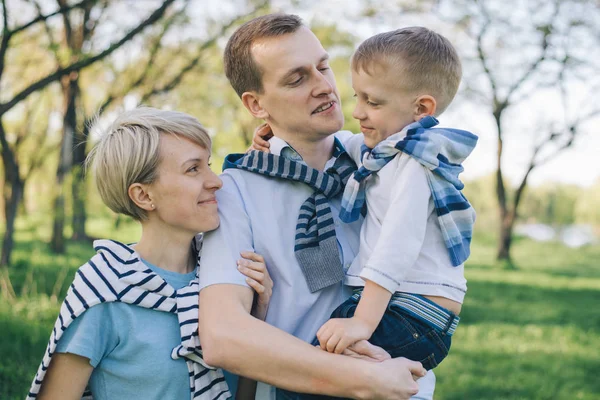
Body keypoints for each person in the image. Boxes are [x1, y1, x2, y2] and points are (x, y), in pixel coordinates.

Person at [197, 13, 431, 400]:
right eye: (297, 79)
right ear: (256, 104)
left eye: (323, 66)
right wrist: (361, 379)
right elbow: (223, 337)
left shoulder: (387, 163)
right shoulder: (233, 192)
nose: (324, 86)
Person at [253, 26, 478, 398]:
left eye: (372, 103)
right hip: (405, 311)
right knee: (322, 370)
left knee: (310, 374)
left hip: (412, 314)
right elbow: (335, 144)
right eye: (357, 97)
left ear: (421, 109)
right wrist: (275, 139)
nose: (357, 112)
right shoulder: (384, 149)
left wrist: (362, 322)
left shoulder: (415, 163)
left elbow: (397, 245)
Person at [28, 107, 273, 400]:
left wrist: (255, 319)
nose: (216, 181)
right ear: (144, 195)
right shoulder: (103, 288)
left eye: (208, 164)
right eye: (193, 169)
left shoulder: (225, 275)